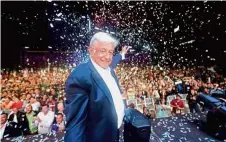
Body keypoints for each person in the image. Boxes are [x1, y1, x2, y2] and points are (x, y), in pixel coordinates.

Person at [64, 32, 129, 142]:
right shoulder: (80, 77)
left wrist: (121, 54)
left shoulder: (108, 66)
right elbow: (75, 124)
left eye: (110, 52)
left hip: (113, 134)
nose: (108, 57)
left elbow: (114, 61)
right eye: (103, 51)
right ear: (91, 50)